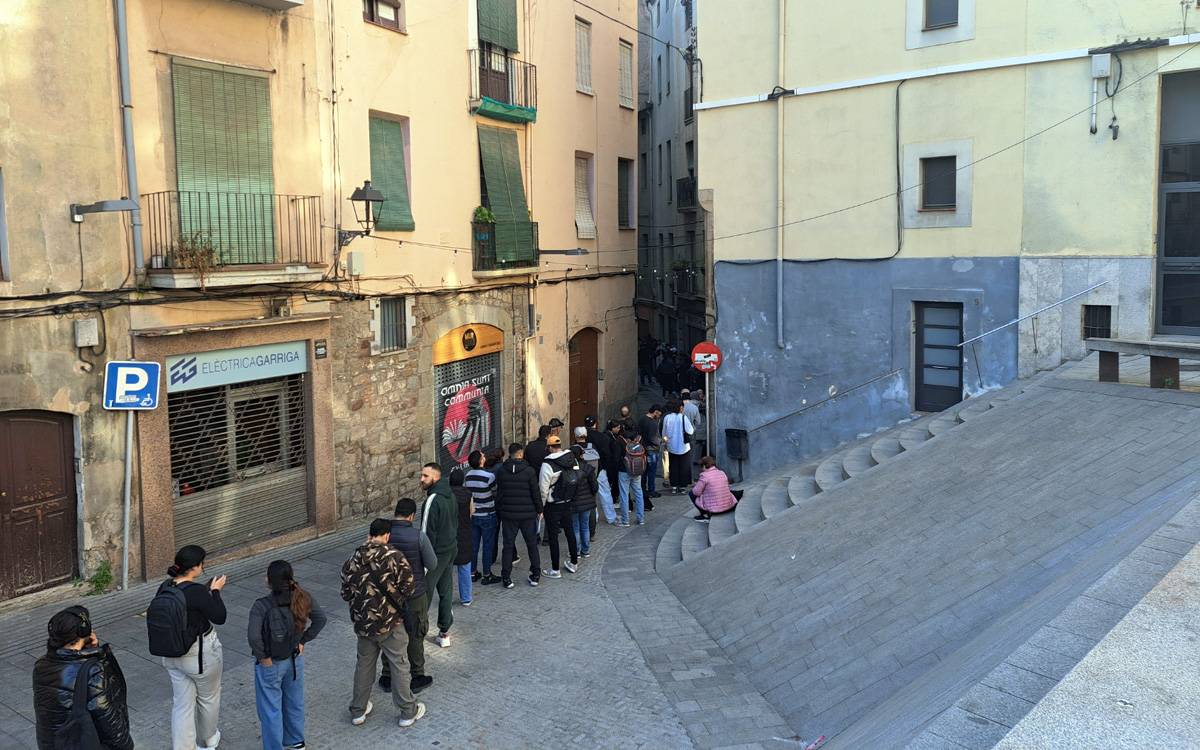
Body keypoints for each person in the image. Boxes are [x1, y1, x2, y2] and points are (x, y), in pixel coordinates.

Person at [341, 518, 425, 728]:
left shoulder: (352, 559)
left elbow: (345, 593)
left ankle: (358, 710)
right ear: (387, 535)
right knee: (399, 665)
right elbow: (409, 589)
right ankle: (407, 711)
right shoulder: (395, 556)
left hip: (364, 625)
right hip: (391, 623)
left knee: (364, 666)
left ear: (369, 535)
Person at [248, 560, 327, 750]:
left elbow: (254, 637)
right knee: (294, 702)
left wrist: (264, 659)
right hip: (294, 659)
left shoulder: (261, 605)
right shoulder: (302, 597)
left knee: (270, 710)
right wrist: (303, 641)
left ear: (268, 581)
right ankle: (296, 741)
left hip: (271, 663)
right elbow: (320, 619)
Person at [33, 605, 134, 750]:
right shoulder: (92, 670)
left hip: (53, 743)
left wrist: (91, 651)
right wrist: (126, 744)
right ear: (85, 631)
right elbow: (106, 717)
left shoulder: (41, 665)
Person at [157, 545, 227, 750]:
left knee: (182, 704)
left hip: (171, 654)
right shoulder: (196, 591)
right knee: (208, 698)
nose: (203, 567)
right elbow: (219, 616)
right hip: (198, 655)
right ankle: (209, 740)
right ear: (195, 567)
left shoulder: (165, 587)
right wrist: (215, 591)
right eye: (202, 564)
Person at [380, 498, 438, 696]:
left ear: (395, 512)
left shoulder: (384, 535)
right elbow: (432, 564)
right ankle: (417, 675)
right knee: (415, 634)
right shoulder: (419, 537)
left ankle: (387, 676)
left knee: (388, 633)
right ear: (412, 516)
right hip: (415, 594)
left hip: (388, 595)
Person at [419, 462, 457, 649]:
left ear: (435, 477)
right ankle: (444, 632)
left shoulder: (432, 501)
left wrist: (423, 560)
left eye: (425, 476)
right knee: (446, 590)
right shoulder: (451, 495)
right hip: (449, 550)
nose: (421, 479)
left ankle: (417, 633)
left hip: (435, 555)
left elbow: (424, 535)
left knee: (423, 594)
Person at [496, 443, 543, 587]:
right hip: (527, 514)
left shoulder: (501, 471)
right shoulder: (529, 471)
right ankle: (535, 574)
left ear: (509, 454)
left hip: (508, 514)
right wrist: (539, 509)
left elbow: (500, 493)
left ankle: (506, 577)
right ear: (521, 453)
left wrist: (500, 511)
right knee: (532, 545)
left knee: (508, 546)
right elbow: (535, 492)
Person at [537, 435, 581, 578]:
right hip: (568, 501)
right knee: (570, 532)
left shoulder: (547, 464)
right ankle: (574, 563)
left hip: (553, 505)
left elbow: (543, 489)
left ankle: (555, 569)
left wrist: (541, 508)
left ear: (549, 448)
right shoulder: (571, 458)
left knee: (553, 537)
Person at [464, 451, 500, 586]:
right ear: (481, 461)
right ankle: (487, 574)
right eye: (483, 456)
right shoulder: (489, 476)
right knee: (487, 545)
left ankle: (472, 572)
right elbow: (495, 492)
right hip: (488, 514)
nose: (485, 457)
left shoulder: (467, 475)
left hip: (474, 515)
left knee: (473, 545)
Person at [569, 443, 601, 558]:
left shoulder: (568, 469)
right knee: (585, 526)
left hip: (573, 502)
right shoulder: (588, 468)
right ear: (582, 455)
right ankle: (585, 550)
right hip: (587, 502)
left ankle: (576, 551)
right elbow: (595, 486)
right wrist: (591, 495)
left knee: (575, 527)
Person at [585, 417, 618, 525]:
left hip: (586, 469)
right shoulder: (602, 437)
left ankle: (593, 518)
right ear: (595, 424)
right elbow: (607, 454)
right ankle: (611, 517)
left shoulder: (582, 437)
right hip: (600, 468)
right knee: (605, 492)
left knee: (590, 494)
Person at [449, 469, 474, 607]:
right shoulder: (467, 494)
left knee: (447, 568)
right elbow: (472, 511)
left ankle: (447, 597)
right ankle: (466, 597)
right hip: (464, 532)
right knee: (464, 566)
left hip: (449, 533)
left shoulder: (446, 495)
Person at [689, 456, 743, 522]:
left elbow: (696, 492)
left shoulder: (704, 476)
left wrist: (697, 485)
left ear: (704, 466)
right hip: (729, 507)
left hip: (714, 511)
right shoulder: (722, 473)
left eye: (701, 466)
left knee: (691, 493)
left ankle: (705, 515)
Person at [662, 400, 695, 494]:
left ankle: (674, 486)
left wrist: (665, 441)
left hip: (671, 446)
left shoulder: (667, 417)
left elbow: (664, 432)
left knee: (673, 466)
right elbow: (690, 431)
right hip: (684, 447)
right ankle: (682, 487)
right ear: (681, 408)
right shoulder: (684, 417)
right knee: (684, 466)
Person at [617, 431, 648, 526]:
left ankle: (625, 520)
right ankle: (641, 519)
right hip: (637, 471)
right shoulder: (639, 442)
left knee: (624, 495)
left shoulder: (621, 442)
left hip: (624, 471)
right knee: (638, 493)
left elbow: (616, 457)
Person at [637, 404, 664, 503]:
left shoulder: (642, 419)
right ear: (655, 412)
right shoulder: (652, 423)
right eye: (659, 414)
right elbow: (653, 438)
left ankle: (643, 490)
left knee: (644, 472)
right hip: (651, 450)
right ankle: (651, 491)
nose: (659, 416)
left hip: (643, 449)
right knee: (651, 472)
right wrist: (661, 441)